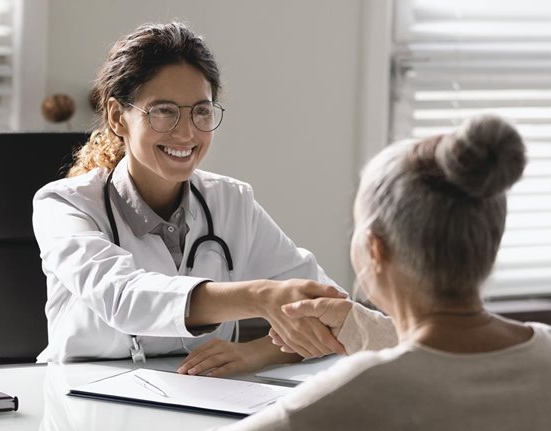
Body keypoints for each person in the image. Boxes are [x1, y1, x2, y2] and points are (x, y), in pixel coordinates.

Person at [222, 115, 551, 430]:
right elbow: (447, 363)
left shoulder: (357, 389)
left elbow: (414, 377)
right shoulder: (546, 352)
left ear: (375, 249)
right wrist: (356, 326)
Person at [32, 22, 347, 374]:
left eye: (201, 111)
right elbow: (123, 297)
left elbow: (332, 313)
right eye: (163, 111)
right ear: (118, 117)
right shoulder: (64, 206)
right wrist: (261, 297)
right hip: (81, 405)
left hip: (203, 401)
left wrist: (255, 353)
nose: (186, 133)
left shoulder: (231, 201)